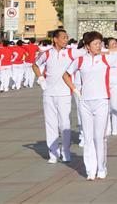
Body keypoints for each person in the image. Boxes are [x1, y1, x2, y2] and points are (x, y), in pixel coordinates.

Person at [63, 31, 117, 180]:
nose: (99, 46)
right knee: (88, 137)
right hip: (85, 102)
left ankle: (101, 168)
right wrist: (75, 89)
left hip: (101, 101)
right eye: (95, 44)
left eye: (100, 43)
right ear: (87, 46)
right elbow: (65, 75)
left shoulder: (105, 59)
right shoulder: (80, 61)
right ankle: (90, 170)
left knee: (99, 137)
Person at [33, 29, 81, 163]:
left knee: (65, 123)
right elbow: (35, 65)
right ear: (55, 39)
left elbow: (91, 51)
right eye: (63, 37)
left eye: (67, 37)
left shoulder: (71, 52)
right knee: (50, 123)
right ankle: (53, 153)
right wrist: (40, 78)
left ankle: (66, 152)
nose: (66, 40)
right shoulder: (47, 54)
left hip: (64, 93)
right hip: (48, 93)